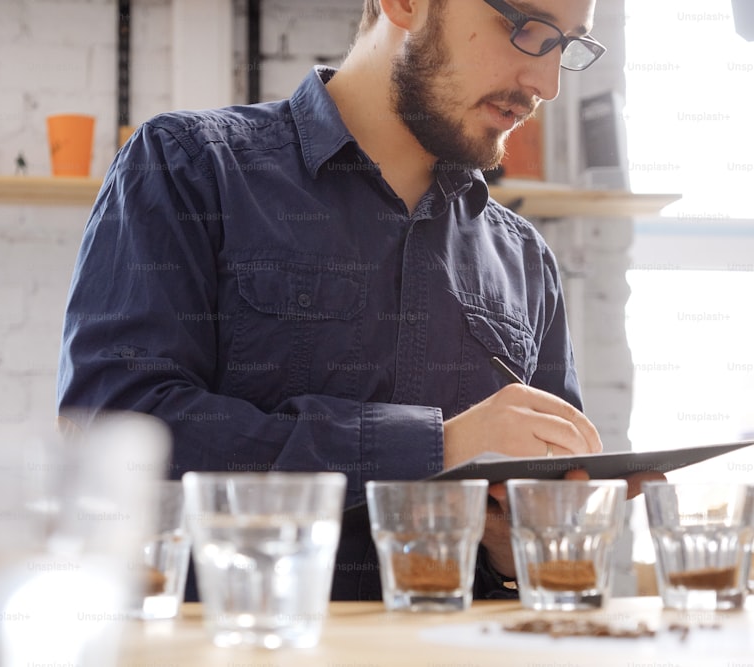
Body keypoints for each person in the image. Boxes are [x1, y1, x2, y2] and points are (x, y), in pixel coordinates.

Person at [58, 0, 659, 600]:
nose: (546, 84)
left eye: (567, 46)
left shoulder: (524, 257)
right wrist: (437, 447)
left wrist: (513, 550)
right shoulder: (191, 167)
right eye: (526, 28)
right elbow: (113, 430)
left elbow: (536, 554)